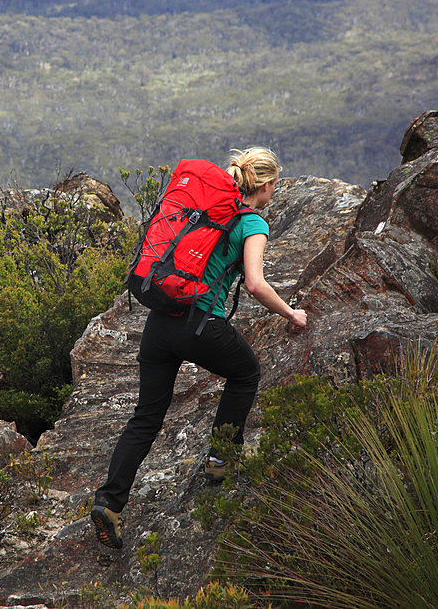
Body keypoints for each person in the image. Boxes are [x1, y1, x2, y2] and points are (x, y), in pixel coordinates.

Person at [91, 146, 308, 549]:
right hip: (201, 325)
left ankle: (109, 501)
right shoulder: (252, 224)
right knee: (246, 373)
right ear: (264, 185)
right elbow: (257, 285)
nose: (274, 193)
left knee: (147, 415)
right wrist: (291, 315)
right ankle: (221, 464)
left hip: (161, 323)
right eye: (274, 185)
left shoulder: (204, 211)